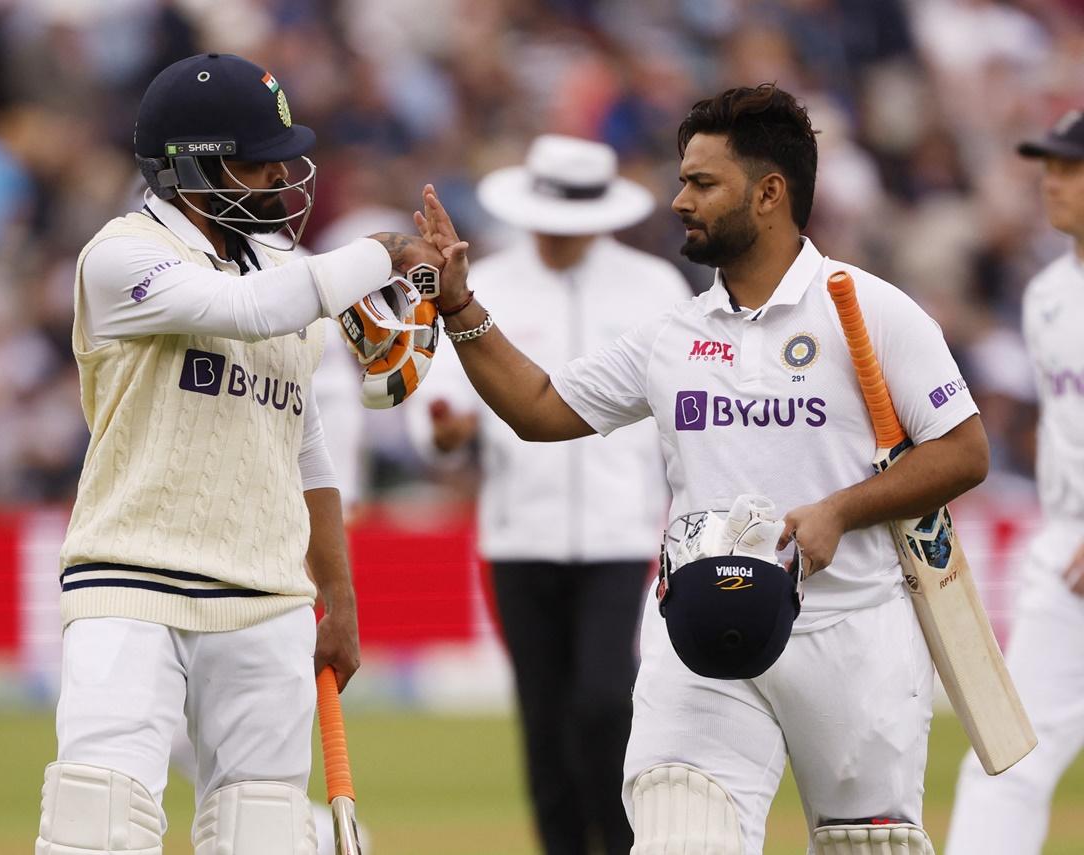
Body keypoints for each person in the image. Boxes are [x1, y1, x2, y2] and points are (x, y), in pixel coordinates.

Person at [415, 83, 989, 854]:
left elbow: (963, 449)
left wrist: (839, 510)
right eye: (683, 178)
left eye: (702, 182)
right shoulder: (673, 333)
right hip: (699, 635)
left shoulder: (871, 310)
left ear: (770, 193)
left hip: (851, 636)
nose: (679, 198)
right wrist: (459, 309)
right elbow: (541, 408)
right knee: (678, 833)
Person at [35, 53, 444, 855]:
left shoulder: (291, 271)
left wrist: (338, 593)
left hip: (267, 598)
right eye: (257, 159)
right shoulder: (121, 258)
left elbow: (308, 439)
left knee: (262, 837)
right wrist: (385, 249)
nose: (281, 174)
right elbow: (245, 310)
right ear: (191, 165)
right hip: (131, 581)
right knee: (99, 826)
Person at [406, 133, 690, 855]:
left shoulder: (654, 287)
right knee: (542, 714)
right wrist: (444, 431)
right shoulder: (484, 283)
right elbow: (434, 407)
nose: (560, 239)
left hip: (621, 531)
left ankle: (621, 838)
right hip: (518, 534)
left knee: (602, 697)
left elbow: (689, 402)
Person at [945, 109, 1084, 855]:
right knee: (1007, 754)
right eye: (1048, 165)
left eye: (1069, 166)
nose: (1051, 181)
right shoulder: (1048, 295)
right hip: (1068, 555)